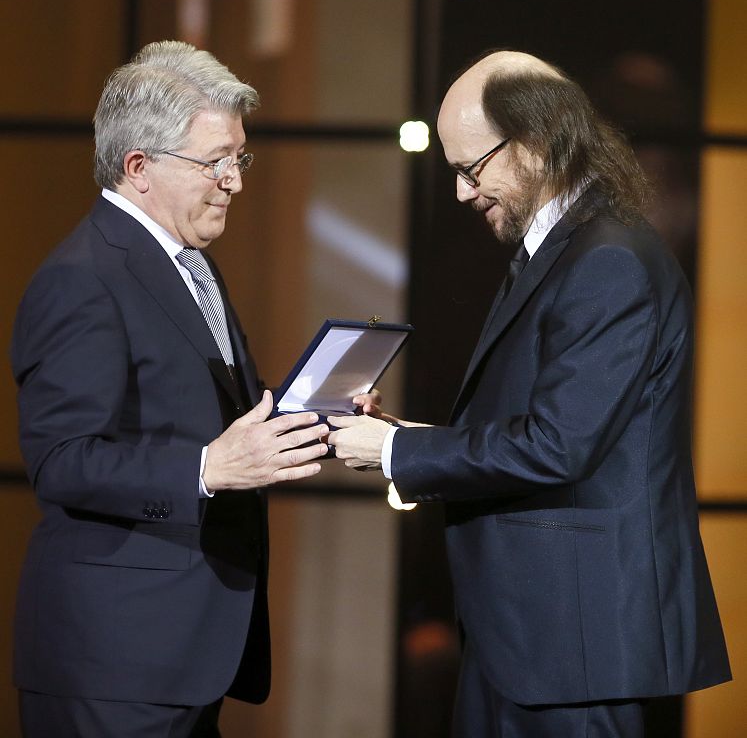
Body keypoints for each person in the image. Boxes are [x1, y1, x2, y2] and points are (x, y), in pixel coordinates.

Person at [328, 50, 731, 737]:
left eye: (469, 169)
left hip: (572, 644)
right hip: (539, 636)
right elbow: (541, 425)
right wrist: (404, 437)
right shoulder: (568, 251)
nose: (461, 193)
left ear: (537, 143)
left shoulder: (606, 260)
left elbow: (556, 447)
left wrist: (399, 450)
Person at [11, 41, 330, 737]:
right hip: (113, 662)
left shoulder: (191, 266)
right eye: (215, 161)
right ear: (138, 167)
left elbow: (209, 411)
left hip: (179, 652)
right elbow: (62, 460)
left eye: (237, 159)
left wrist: (320, 416)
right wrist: (207, 469)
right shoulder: (82, 277)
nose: (233, 181)